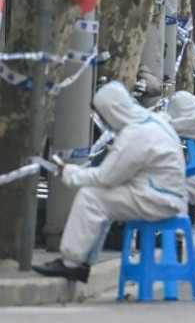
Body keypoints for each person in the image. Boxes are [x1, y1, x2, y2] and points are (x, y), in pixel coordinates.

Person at [32, 82, 187, 282]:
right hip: (165, 195)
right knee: (104, 202)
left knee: (91, 197)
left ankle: (72, 262)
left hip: (159, 199)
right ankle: (84, 260)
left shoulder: (136, 134)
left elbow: (107, 177)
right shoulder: (152, 122)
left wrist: (70, 173)